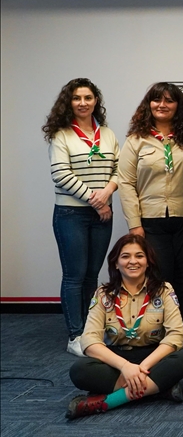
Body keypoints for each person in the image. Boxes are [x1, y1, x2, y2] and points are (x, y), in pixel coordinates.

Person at [66, 234, 183, 419]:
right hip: (116, 359)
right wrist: (126, 367)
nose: (133, 261)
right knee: (79, 370)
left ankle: (107, 402)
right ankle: (157, 389)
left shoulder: (164, 290)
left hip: (151, 359)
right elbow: (89, 341)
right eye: (125, 256)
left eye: (139, 256)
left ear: (148, 262)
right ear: (116, 263)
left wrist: (141, 368)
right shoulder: (103, 294)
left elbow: (176, 336)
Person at [44, 78, 119, 357]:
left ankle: (92, 332)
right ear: (69, 102)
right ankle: (75, 335)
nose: (83, 103)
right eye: (77, 98)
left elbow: (119, 169)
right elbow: (61, 174)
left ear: (95, 101)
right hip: (71, 213)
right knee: (74, 276)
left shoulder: (107, 134)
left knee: (92, 275)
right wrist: (97, 201)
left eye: (88, 97)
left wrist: (108, 192)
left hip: (101, 214)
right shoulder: (61, 134)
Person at [118, 82, 183, 324]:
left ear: (178, 106)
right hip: (151, 220)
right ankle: (159, 324)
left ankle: (182, 322)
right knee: (160, 274)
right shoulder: (136, 141)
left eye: (169, 100)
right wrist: (135, 224)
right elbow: (125, 183)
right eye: (157, 100)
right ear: (149, 104)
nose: (162, 105)